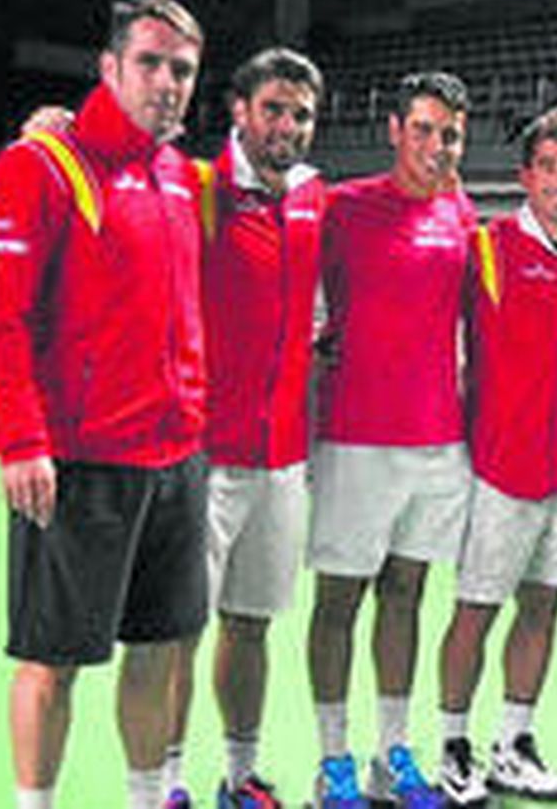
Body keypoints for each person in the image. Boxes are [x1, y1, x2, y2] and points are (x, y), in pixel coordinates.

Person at [0, 0, 211, 809]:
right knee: (53, 661)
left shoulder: (182, 175)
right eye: (149, 62)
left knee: (157, 649)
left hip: (176, 460)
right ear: (108, 69)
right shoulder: (39, 165)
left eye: (182, 69)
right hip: (80, 463)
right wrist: (19, 439)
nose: (167, 82)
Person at [305, 71, 476, 809]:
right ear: (394, 130)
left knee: (405, 595)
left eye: (450, 134)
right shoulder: (340, 208)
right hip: (354, 439)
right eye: (425, 129)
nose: (436, 146)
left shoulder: (460, 212)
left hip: (438, 443)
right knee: (339, 602)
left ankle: (392, 755)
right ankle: (333, 760)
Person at [434, 107, 557, 807]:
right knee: (474, 611)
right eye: (550, 167)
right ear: (526, 176)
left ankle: (514, 743)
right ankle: (453, 745)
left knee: (542, 611)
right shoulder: (487, 246)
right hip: (497, 469)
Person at [183, 47, 327, 809]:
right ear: (239, 111)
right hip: (206, 456)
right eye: (273, 108)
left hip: (282, 458)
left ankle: (241, 778)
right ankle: (163, 784)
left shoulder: (312, 198)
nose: (287, 125)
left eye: (300, 113)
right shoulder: (196, 186)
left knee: (250, 625)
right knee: (178, 633)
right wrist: (57, 132)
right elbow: (118, 174)